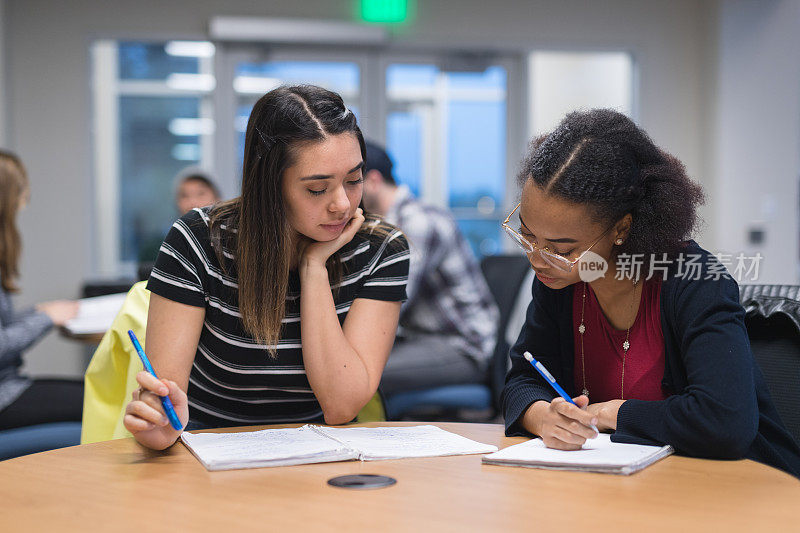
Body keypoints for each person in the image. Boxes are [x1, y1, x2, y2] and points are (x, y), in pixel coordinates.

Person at [501, 109, 800, 477]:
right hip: (621, 488)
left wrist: (610, 413)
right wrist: (543, 416)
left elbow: (725, 422)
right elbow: (522, 380)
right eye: (528, 234)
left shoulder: (695, 281)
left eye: (562, 248)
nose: (537, 259)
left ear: (621, 228)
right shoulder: (560, 281)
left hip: (739, 488)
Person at [123, 86, 410, 450]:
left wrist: (313, 267)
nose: (342, 204)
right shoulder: (199, 239)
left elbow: (341, 407)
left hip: (321, 456)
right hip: (210, 450)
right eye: (318, 189)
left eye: (353, 180)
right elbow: (166, 403)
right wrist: (158, 425)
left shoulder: (382, 249)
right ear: (270, 185)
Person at [361, 142, 499, 397]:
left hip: (463, 347)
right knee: (352, 367)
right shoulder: (388, 224)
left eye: (351, 182)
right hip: (425, 340)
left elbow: (395, 298)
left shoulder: (417, 223)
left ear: (372, 181)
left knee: (357, 373)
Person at [0, 150, 82, 430]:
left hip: (9, 387)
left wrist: (37, 313)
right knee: (99, 400)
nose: (26, 198)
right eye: (22, 190)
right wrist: (47, 318)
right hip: (5, 396)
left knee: (96, 391)